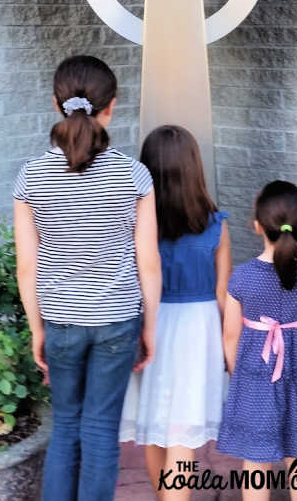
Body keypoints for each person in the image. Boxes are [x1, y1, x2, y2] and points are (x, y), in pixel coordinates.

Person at [14, 55, 161, 501]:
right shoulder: (133, 176)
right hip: (118, 320)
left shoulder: (30, 177)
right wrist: (149, 328)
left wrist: (37, 327)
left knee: (66, 428)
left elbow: (27, 265)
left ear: (55, 103)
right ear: (111, 107)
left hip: (60, 319)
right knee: (100, 429)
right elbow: (148, 262)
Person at [217, 180, 297, 501]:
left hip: (256, 378)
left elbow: (231, 334)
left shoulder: (243, 277)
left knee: (256, 459)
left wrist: (240, 376)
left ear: (257, 226)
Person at [119, 125, 231, 500]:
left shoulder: (135, 224)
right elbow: (222, 294)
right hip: (198, 333)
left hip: (151, 322)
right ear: (195, 169)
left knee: (154, 427)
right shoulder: (217, 226)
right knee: (184, 432)